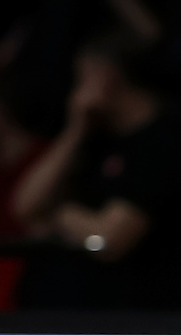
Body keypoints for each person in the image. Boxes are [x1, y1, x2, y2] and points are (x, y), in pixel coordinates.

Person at [13, 33, 177, 308]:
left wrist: (58, 215)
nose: (76, 92)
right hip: (69, 313)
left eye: (82, 79)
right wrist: (75, 131)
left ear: (108, 76)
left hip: (140, 320)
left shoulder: (165, 138)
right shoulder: (94, 137)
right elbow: (25, 206)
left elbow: (110, 240)